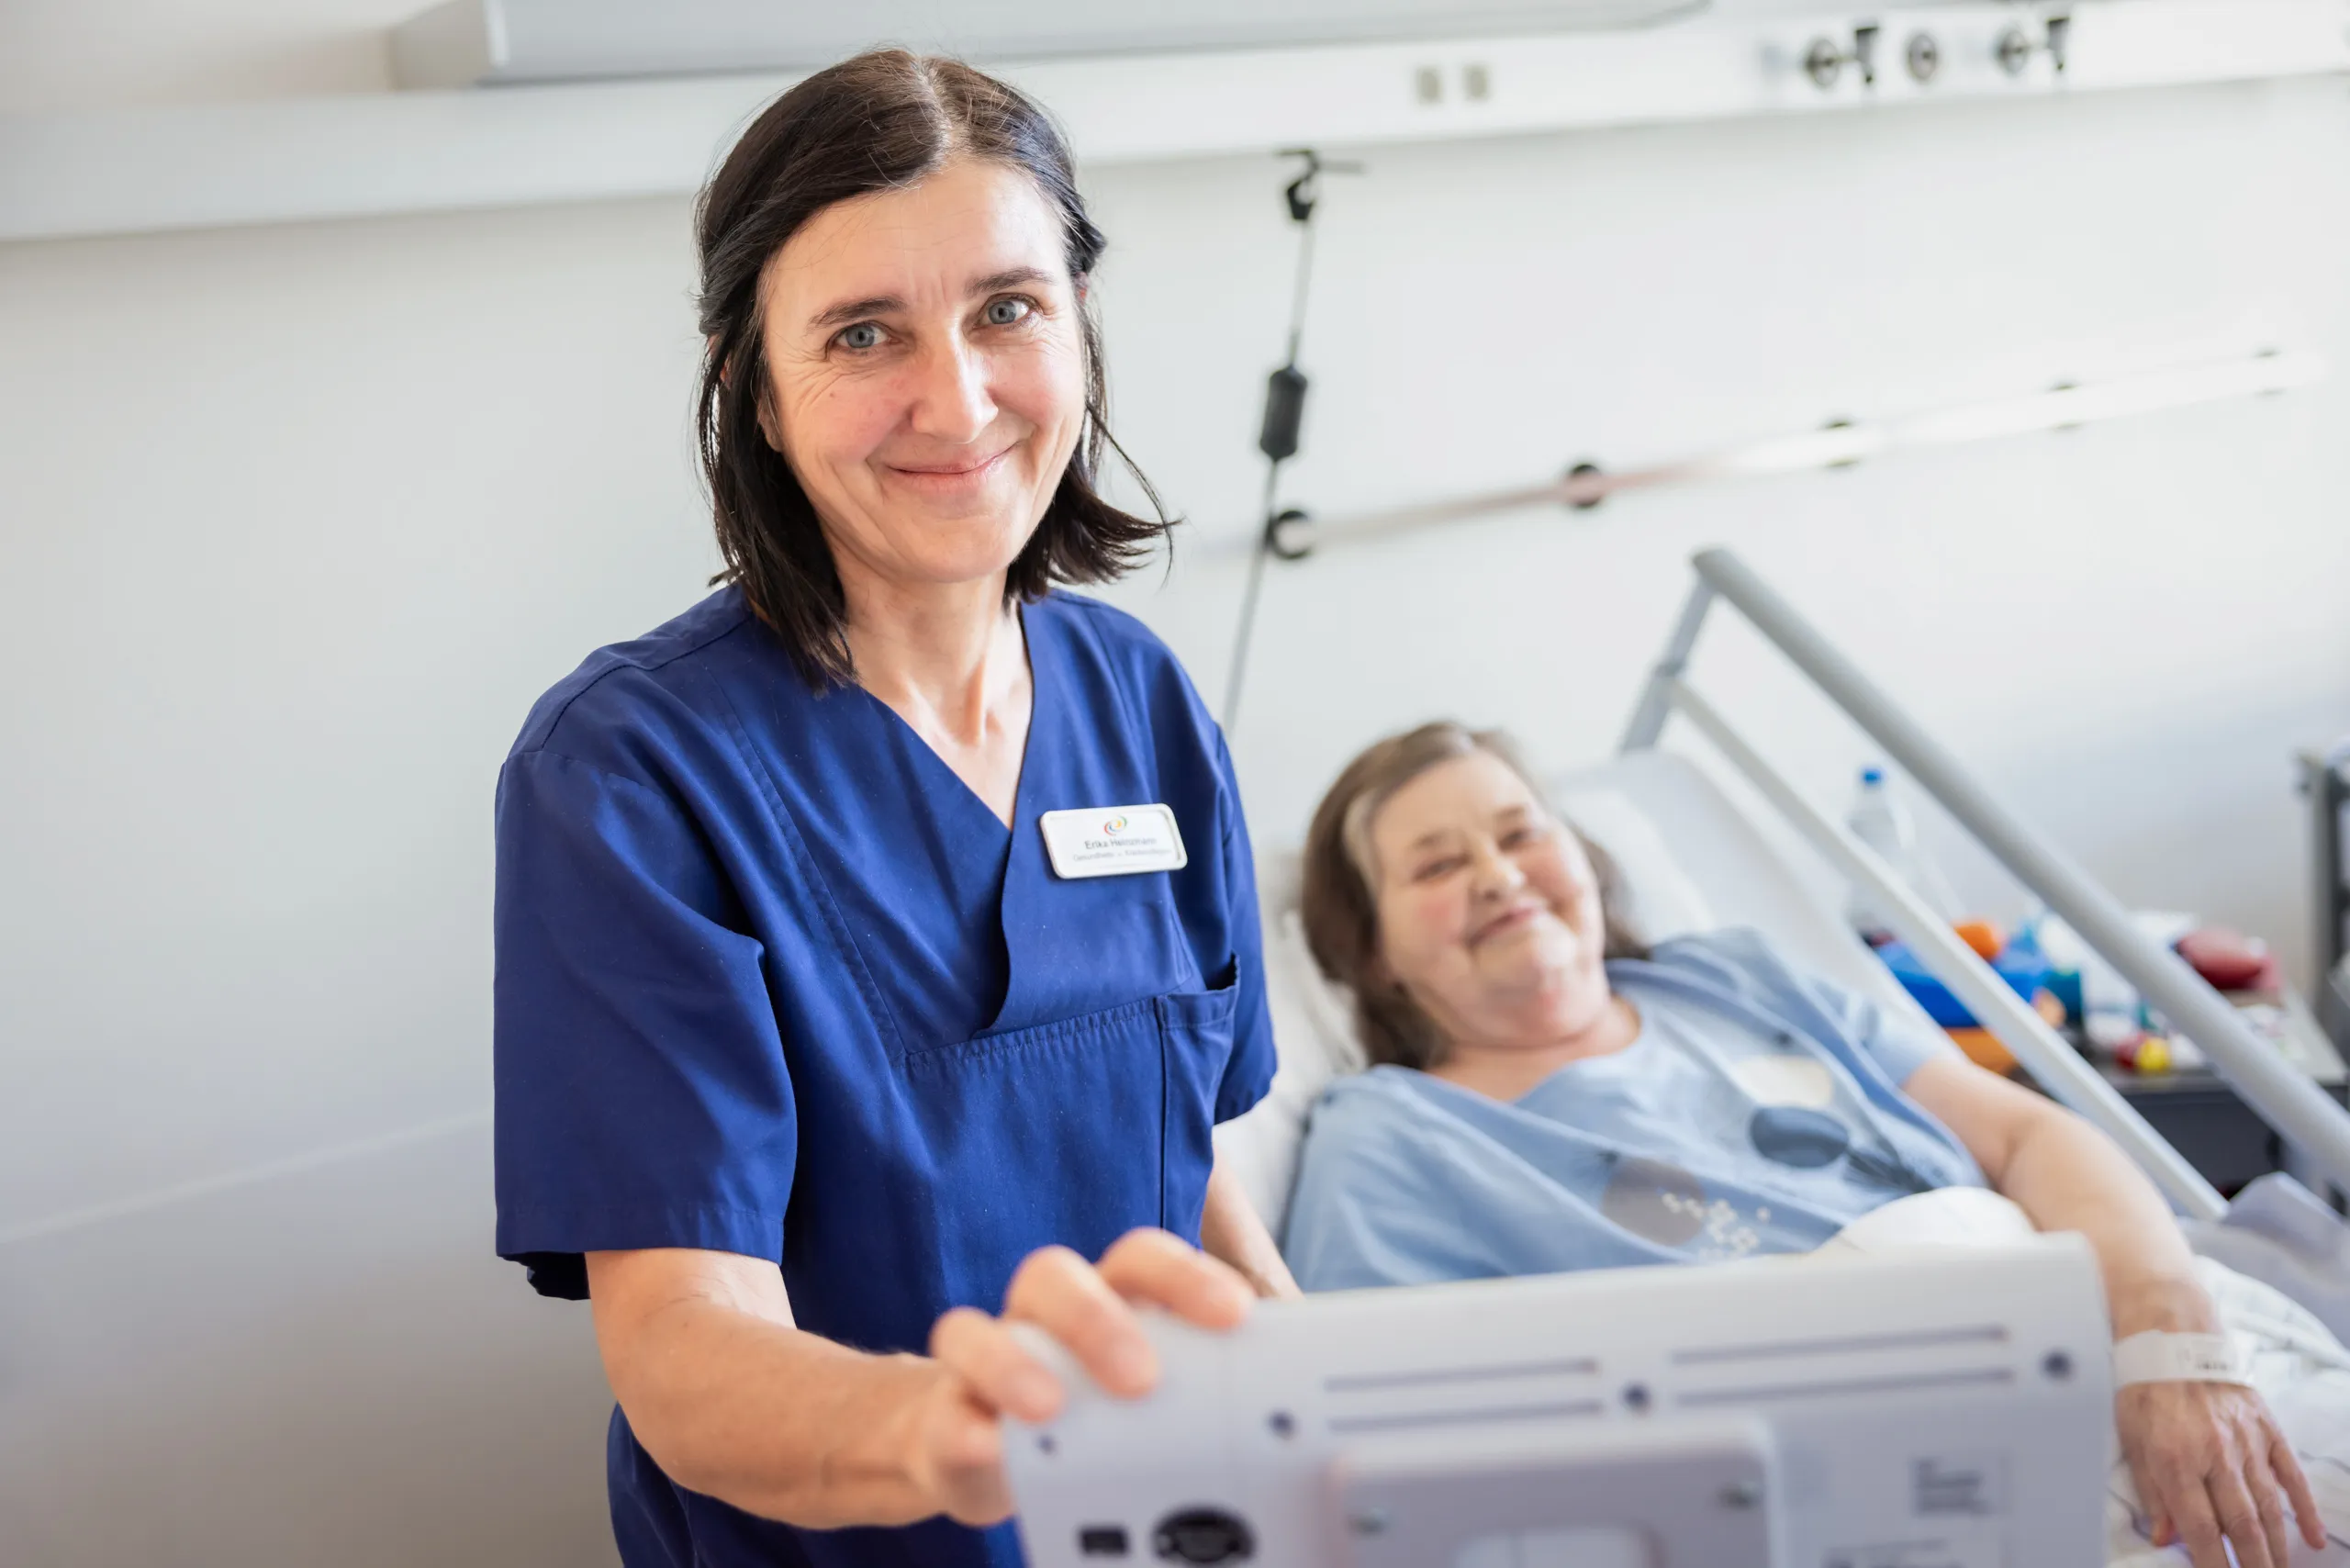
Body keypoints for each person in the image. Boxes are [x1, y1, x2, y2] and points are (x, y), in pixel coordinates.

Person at [492, 50, 1297, 1568]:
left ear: (1076, 327)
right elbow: (679, 1337)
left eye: (1008, 307)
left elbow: (1193, 1180)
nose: (959, 395)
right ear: (759, 397)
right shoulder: (630, 776)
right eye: (865, 334)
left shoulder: (1142, 702)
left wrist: (1334, 1433)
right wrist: (948, 1431)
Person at [1283, 721, 2329, 1568]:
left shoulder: (1736, 976)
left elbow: (2025, 1134)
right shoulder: (1393, 1135)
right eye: (1435, 862)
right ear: (1370, 953)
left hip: (2136, 1332)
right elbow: (1383, 1445)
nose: (1497, 875)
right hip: (1881, 1467)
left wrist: (2171, 1338)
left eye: (1519, 833)